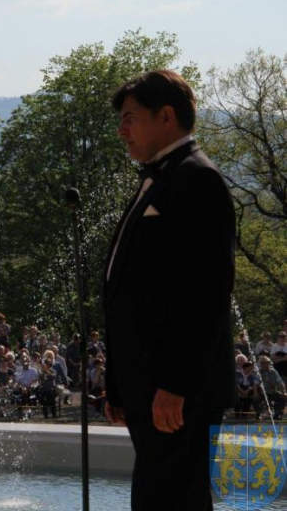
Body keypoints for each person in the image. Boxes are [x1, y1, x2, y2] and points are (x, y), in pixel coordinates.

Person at [104, 71, 236, 510]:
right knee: (159, 498)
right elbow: (129, 290)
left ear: (166, 116)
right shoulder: (160, 177)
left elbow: (204, 295)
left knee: (174, 499)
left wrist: (175, 384)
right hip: (150, 385)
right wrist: (118, 384)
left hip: (177, 391)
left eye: (129, 118)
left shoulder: (197, 178)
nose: (121, 130)